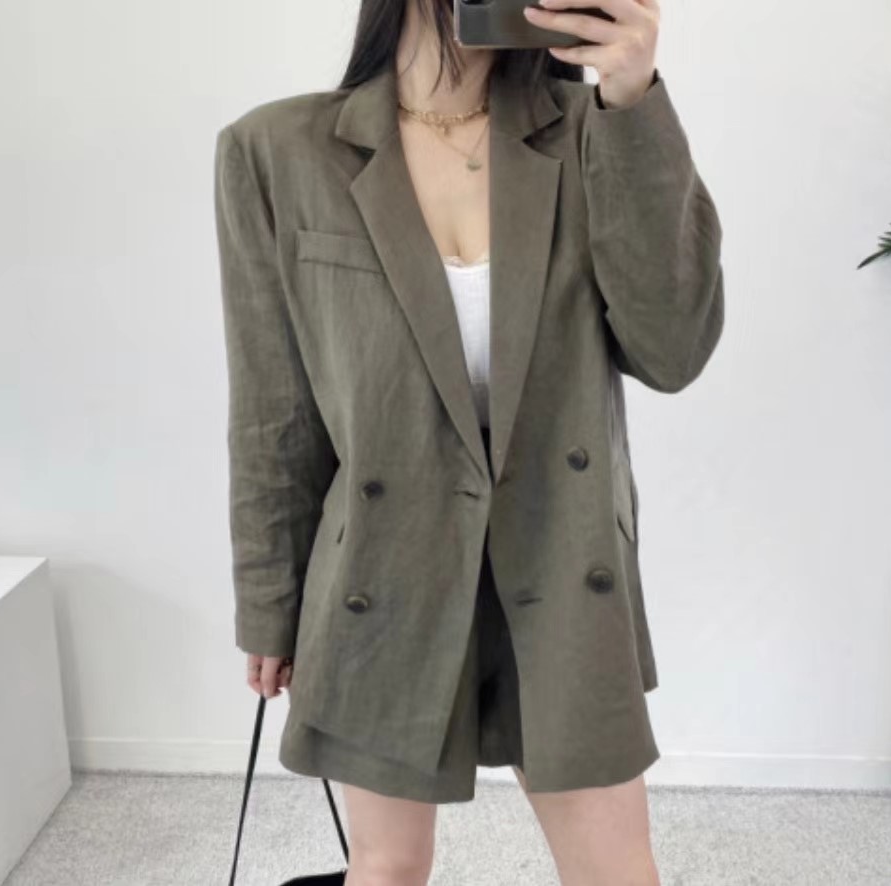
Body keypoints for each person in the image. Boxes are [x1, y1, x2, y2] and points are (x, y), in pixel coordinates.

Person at [213, 0, 723, 883]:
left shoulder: (595, 128)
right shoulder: (277, 150)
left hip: (563, 555)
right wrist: (269, 600)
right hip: (384, 562)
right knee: (387, 870)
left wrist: (633, 96)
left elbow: (672, 351)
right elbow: (274, 409)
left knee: (617, 871)